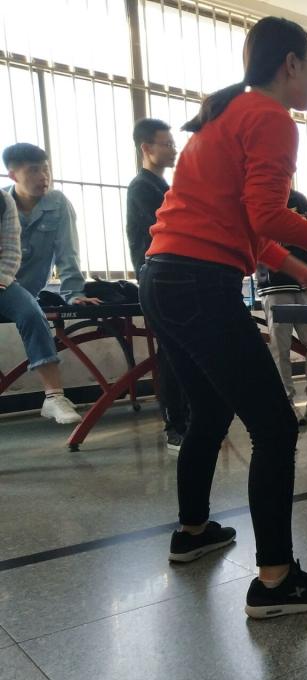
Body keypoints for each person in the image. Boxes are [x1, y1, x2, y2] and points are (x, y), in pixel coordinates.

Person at [140, 16, 307, 617]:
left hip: (163, 278)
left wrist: (303, 272)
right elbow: (268, 215)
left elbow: (250, 225)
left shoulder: (227, 114)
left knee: (210, 411)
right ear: (290, 64)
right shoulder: (272, 117)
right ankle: (275, 581)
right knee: (274, 427)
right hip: (199, 283)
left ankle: (193, 532)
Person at [3, 142, 103, 423]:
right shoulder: (3, 203)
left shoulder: (57, 203)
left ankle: (54, 398)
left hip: (15, 289)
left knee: (31, 313)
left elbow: (67, 252)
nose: (43, 177)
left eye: (45, 170)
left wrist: (73, 293)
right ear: (13, 175)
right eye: (34, 171)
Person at [127, 118, 189, 450]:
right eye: (167, 144)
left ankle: (190, 419)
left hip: (177, 278)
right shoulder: (142, 187)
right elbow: (168, 231)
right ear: (146, 148)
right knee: (172, 353)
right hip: (159, 280)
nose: (173, 149)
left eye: (173, 144)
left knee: (185, 351)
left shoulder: (164, 187)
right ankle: (174, 425)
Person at [256, 190, 307, 424]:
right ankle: (285, 404)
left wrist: (299, 223)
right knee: (280, 347)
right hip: (274, 283)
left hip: (306, 282)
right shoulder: (259, 196)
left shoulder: (298, 198)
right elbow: (258, 234)